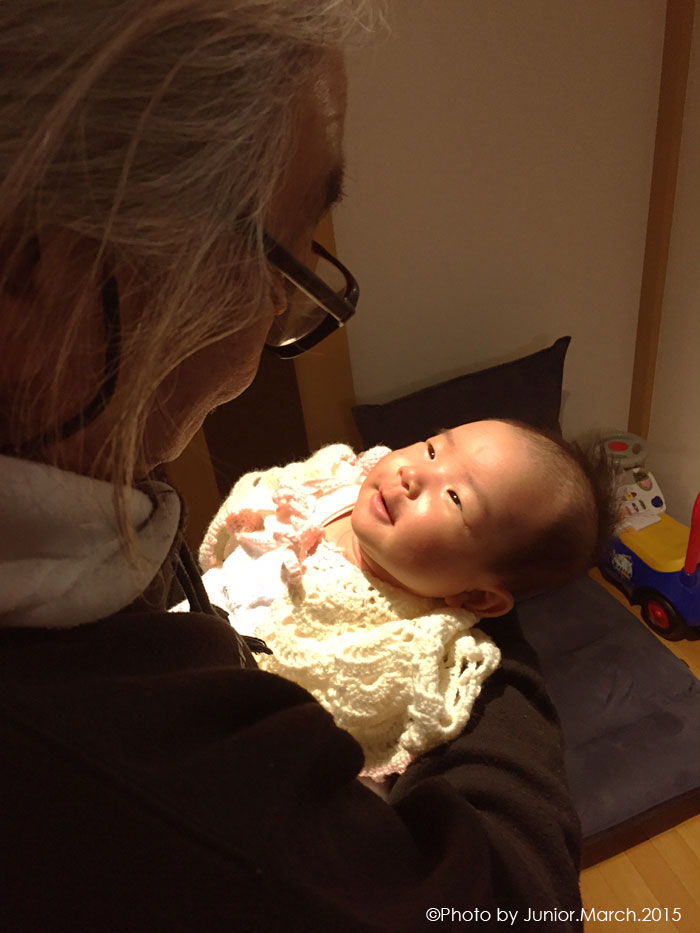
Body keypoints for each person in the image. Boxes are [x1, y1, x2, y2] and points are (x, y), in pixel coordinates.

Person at [0, 2, 592, 930]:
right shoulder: (155, 786)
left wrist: (467, 635)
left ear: (478, 594)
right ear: (37, 274)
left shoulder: (434, 643)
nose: (277, 312)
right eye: (280, 260)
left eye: (458, 499)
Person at [185, 418, 615, 782]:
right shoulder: (340, 482)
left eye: (456, 498)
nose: (413, 474)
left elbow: (336, 719)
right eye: (432, 449)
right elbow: (264, 493)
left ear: (478, 596)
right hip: (183, 612)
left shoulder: (405, 642)